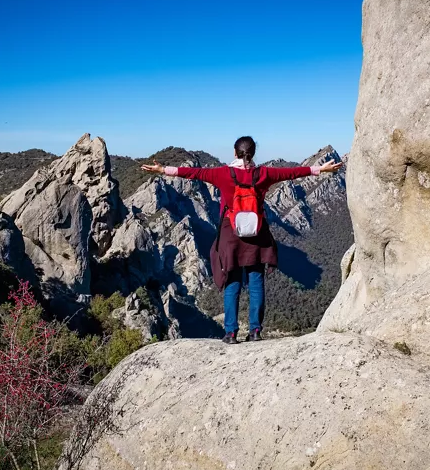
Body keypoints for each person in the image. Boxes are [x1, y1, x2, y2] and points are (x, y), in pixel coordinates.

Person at [141, 136, 342, 344]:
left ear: (235, 152)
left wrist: (162, 169)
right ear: (253, 153)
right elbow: (291, 173)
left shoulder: (222, 174)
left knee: (232, 282)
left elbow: (193, 173)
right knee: (256, 283)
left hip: (231, 235)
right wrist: (320, 169)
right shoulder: (263, 174)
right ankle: (255, 331)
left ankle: (230, 333)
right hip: (257, 234)